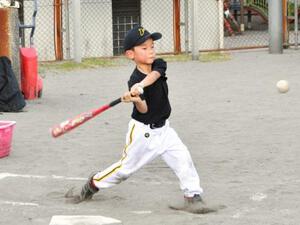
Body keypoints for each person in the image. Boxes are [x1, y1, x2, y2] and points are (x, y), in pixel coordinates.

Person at [65, 26, 219, 214]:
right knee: (124, 171)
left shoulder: (158, 64)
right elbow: (144, 110)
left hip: (165, 130)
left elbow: (154, 76)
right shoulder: (133, 80)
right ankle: (94, 182)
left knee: (183, 159)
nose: (151, 50)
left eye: (152, 46)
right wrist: (137, 99)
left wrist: (141, 86)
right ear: (131, 54)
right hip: (143, 133)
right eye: (144, 48)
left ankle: (192, 196)